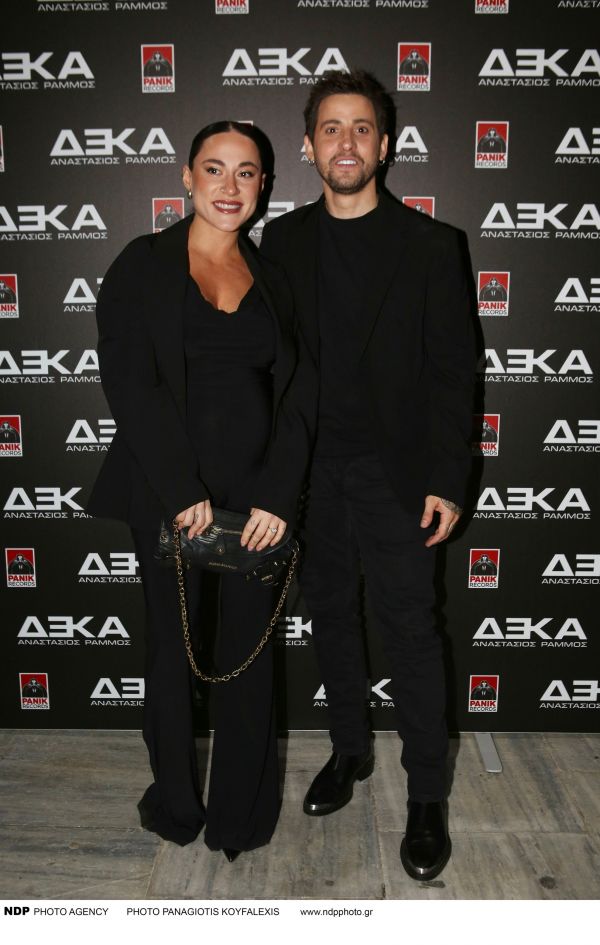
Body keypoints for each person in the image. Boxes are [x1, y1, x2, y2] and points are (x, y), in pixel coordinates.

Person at [260, 71, 475, 881]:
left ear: (384, 145)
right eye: (330, 128)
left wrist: (447, 477)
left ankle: (427, 794)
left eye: (361, 128)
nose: (345, 142)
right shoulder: (281, 243)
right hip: (312, 472)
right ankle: (349, 749)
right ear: (308, 145)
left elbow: (454, 375)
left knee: (412, 629)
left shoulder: (433, 245)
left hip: (398, 475)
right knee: (330, 618)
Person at [88, 121, 316, 858]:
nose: (229, 186)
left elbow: (299, 395)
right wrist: (179, 486)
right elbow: (131, 382)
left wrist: (279, 495)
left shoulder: (277, 277)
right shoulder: (143, 263)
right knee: (171, 651)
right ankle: (177, 804)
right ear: (187, 177)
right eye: (214, 169)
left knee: (250, 655)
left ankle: (240, 819)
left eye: (246, 172)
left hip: (258, 499)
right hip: (167, 490)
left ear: (263, 186)